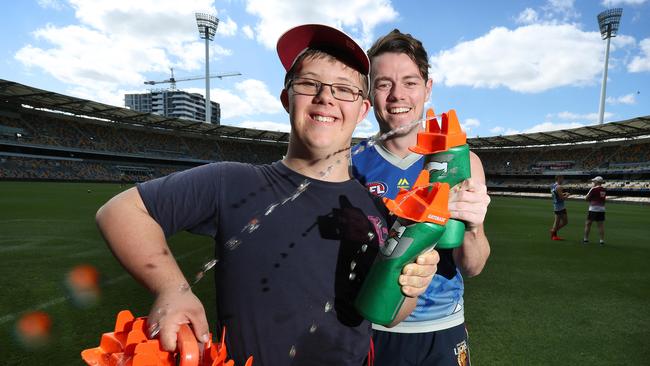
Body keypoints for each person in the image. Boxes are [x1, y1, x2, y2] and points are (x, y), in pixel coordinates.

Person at [96, 24, 439, 366]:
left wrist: (410, 286)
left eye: (344, 90)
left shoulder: (374, 210)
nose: (326, 98)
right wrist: (172, 288)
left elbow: (388, 315)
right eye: (309, 84)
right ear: (287, 98)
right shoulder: (231, 182)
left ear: (362, 110)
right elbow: (121, 212)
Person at [351, 29, 491, 366]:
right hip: (372, 329)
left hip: (442, 329)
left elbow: (472, 268)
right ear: (370, 92)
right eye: (384, 83)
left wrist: (474, 228)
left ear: (428, 88)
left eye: (410, 82)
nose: (398, 95)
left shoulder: (461, 162)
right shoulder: (350, 162)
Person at [583, 176, 606, 245]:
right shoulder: (604, 189)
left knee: (588, 224)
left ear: (597, 182)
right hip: (601, 209)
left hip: (593, 209)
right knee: (600, 225)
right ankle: (601, 240)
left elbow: (586, 198)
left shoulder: (593, 189)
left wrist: (591, 199)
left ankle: (585, 239)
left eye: (594, 181)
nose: (593, 182)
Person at [550, 175, 570, 240]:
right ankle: (553, 232)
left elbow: (556, 195)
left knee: (557, 221)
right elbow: (562, 198)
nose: (563, 180)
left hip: (556, 205)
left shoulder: (553, 186)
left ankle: (554, 234)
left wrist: (563, 194)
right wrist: (567, 195)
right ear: (558, 178)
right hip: (560, 206)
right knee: (564, 222)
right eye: (562, 179)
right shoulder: (559, 187)